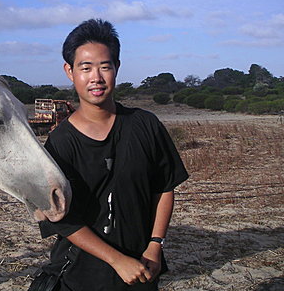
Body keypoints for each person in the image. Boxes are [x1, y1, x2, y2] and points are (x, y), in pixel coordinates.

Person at [32, 19, 189, 291]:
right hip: (79, 275)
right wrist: (117, 260)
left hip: (142, 269)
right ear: (69, 71)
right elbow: (62, 219)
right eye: (86, 67)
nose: (96, 77)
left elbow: (164, 187)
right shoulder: (60, 143)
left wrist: (155, 245)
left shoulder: (146, 125)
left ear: (117, 67)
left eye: (105, 66)